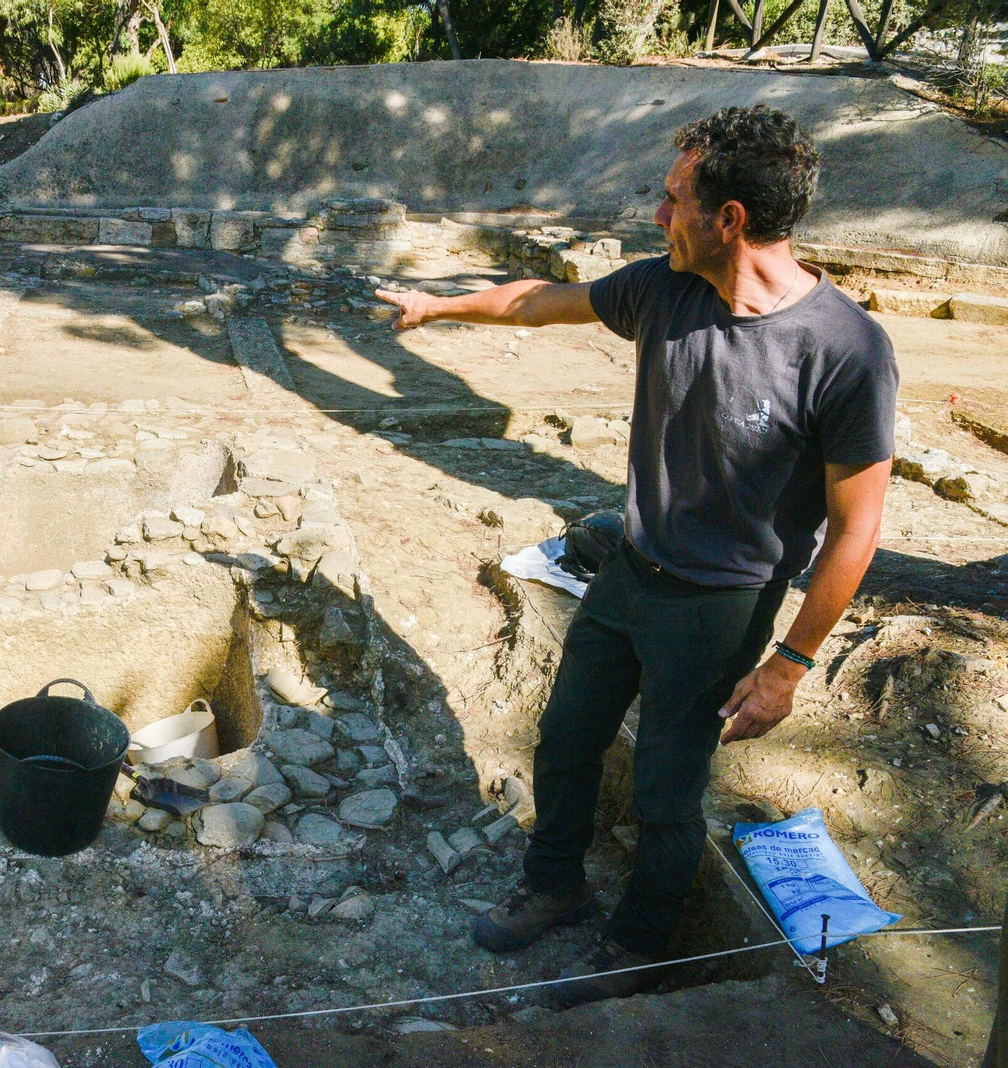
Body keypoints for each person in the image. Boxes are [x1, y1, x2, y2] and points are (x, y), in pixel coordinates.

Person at [376, 105, 897, 1005]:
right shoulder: (666, 289)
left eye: (672, 200)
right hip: (629, 572)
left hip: (721, 608)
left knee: (666, 787)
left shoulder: (844, 351)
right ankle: (556, 884)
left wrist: (789, 666)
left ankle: (641, 946)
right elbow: (541, 303)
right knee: (567, 738)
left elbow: (857, 528)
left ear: (727, 218)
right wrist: (439, 305)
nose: (658, 217)